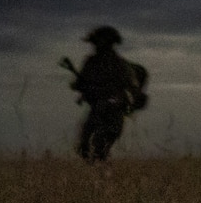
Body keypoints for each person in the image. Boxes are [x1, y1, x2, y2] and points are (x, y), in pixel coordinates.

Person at [63, 26, 147, 161]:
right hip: (104, 111)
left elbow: (132, 89)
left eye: (98, 41)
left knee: (95, 149)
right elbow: (80, 84)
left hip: (109, 111)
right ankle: (101, 176)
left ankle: (102, 176)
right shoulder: (112, 63)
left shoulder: (113, 64)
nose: (95, 45)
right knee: (89, 149)